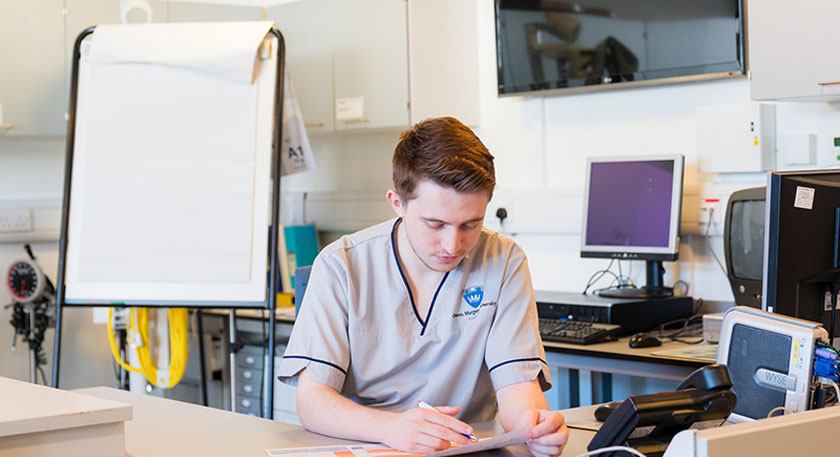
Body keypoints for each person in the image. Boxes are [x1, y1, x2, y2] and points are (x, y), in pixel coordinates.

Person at [277, 117, 568, 457]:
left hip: (466, 450)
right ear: (397, 203)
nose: (452, 244)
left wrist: (535, 427)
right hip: (372, 445)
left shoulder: (504, 260)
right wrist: (392, 428)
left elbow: (518, 387)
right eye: (435, 224)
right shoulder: (341, 265)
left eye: (470, 224)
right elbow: (312, 402)